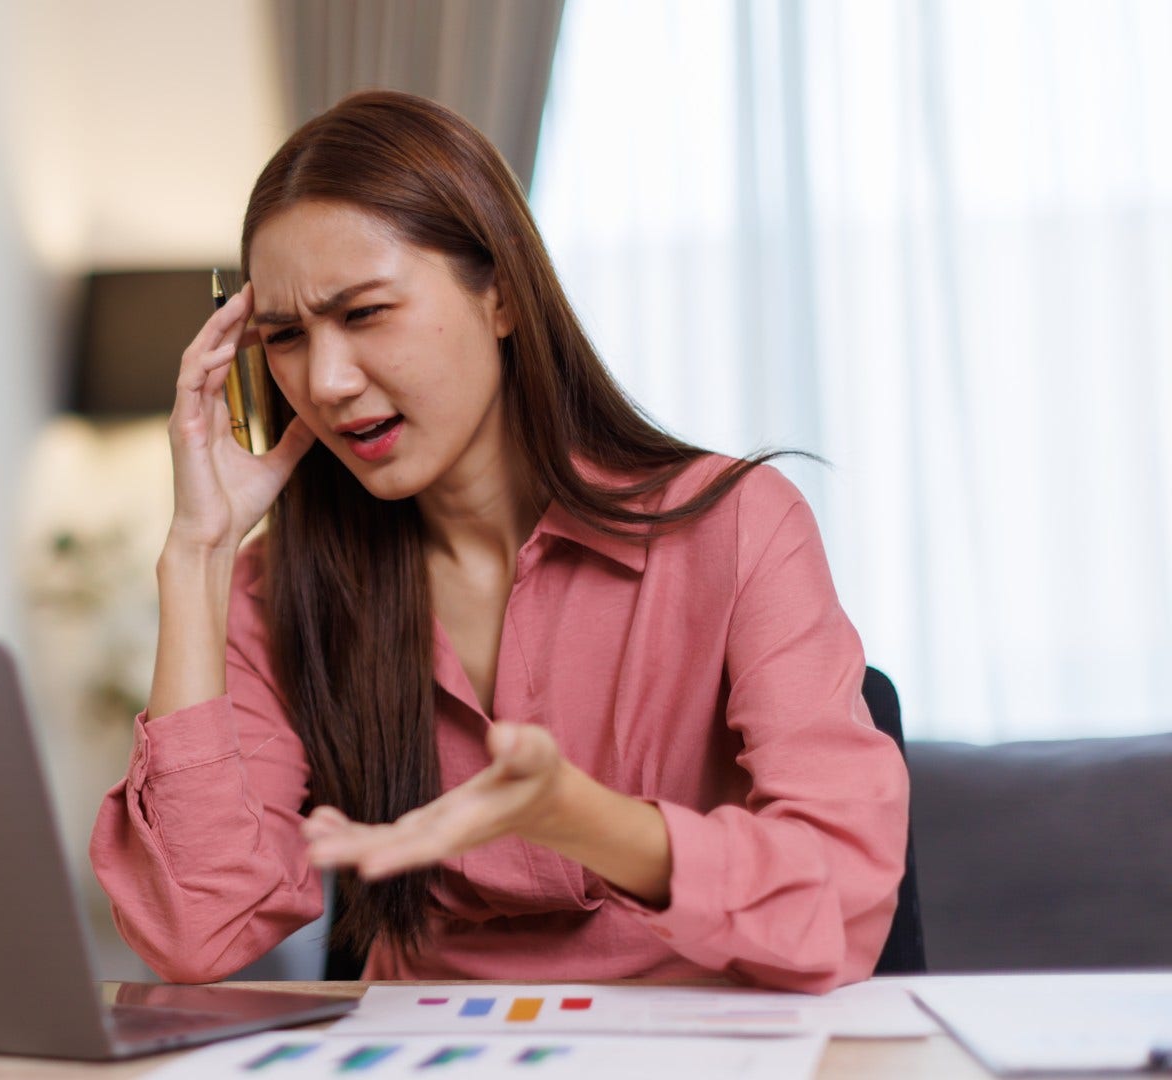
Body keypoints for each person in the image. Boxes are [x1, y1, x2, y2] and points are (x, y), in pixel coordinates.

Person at [88, 90, 907, 993]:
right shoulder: (270, 591)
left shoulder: (737, 526)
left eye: (364, 314)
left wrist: (584, 819)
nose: (325, 381)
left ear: (504, 296)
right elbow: (198, 935)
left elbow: (845, 901)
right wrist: (197, 555)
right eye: (284, 336)